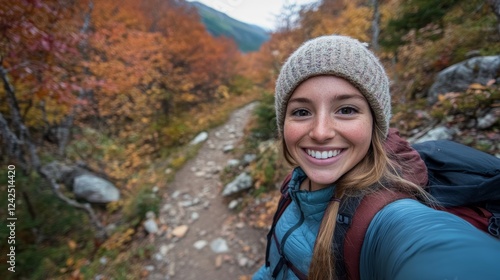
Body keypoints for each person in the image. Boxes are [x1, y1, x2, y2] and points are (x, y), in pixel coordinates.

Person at [252, 35, 500, 280]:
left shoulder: (386, 219)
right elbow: (274, 265)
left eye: (346, 110)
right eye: (302, 111)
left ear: (375, 124)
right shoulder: (295, 184)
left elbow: (443, 255)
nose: (320, 132)